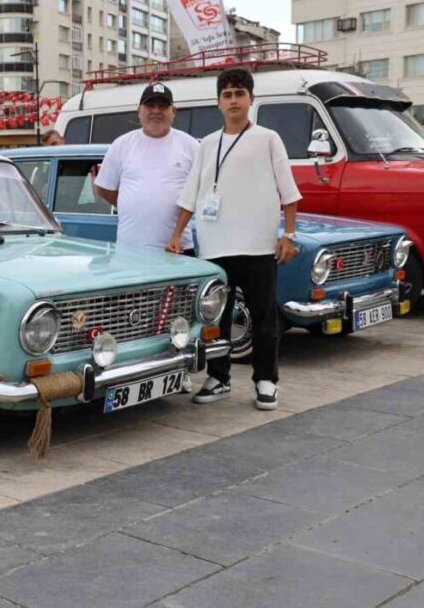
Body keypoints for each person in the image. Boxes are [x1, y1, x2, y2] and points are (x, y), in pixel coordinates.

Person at [167, 67, 301, 411]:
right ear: (218, 103)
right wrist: (177, 234)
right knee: (217, 319)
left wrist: (288, 234)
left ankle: (266, 380)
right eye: (227, 95)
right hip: (215, 247)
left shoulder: (268, 139)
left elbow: (289, 192)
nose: (233, 100)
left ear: (251, 99)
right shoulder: (207, 144)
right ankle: (219, 377)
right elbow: (190, 193)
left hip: (257, 245)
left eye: (240, 94)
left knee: (264, 317)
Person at [93, 82, 199, 253]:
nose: (156, 111)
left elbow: (199, 193)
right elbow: (105, 188)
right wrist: (131, 203)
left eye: (163, 106)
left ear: (173, 111)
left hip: (177, 250)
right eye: (150, 105)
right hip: (130, 251)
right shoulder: (121, 145)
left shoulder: (191, 146)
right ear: (139, 111)